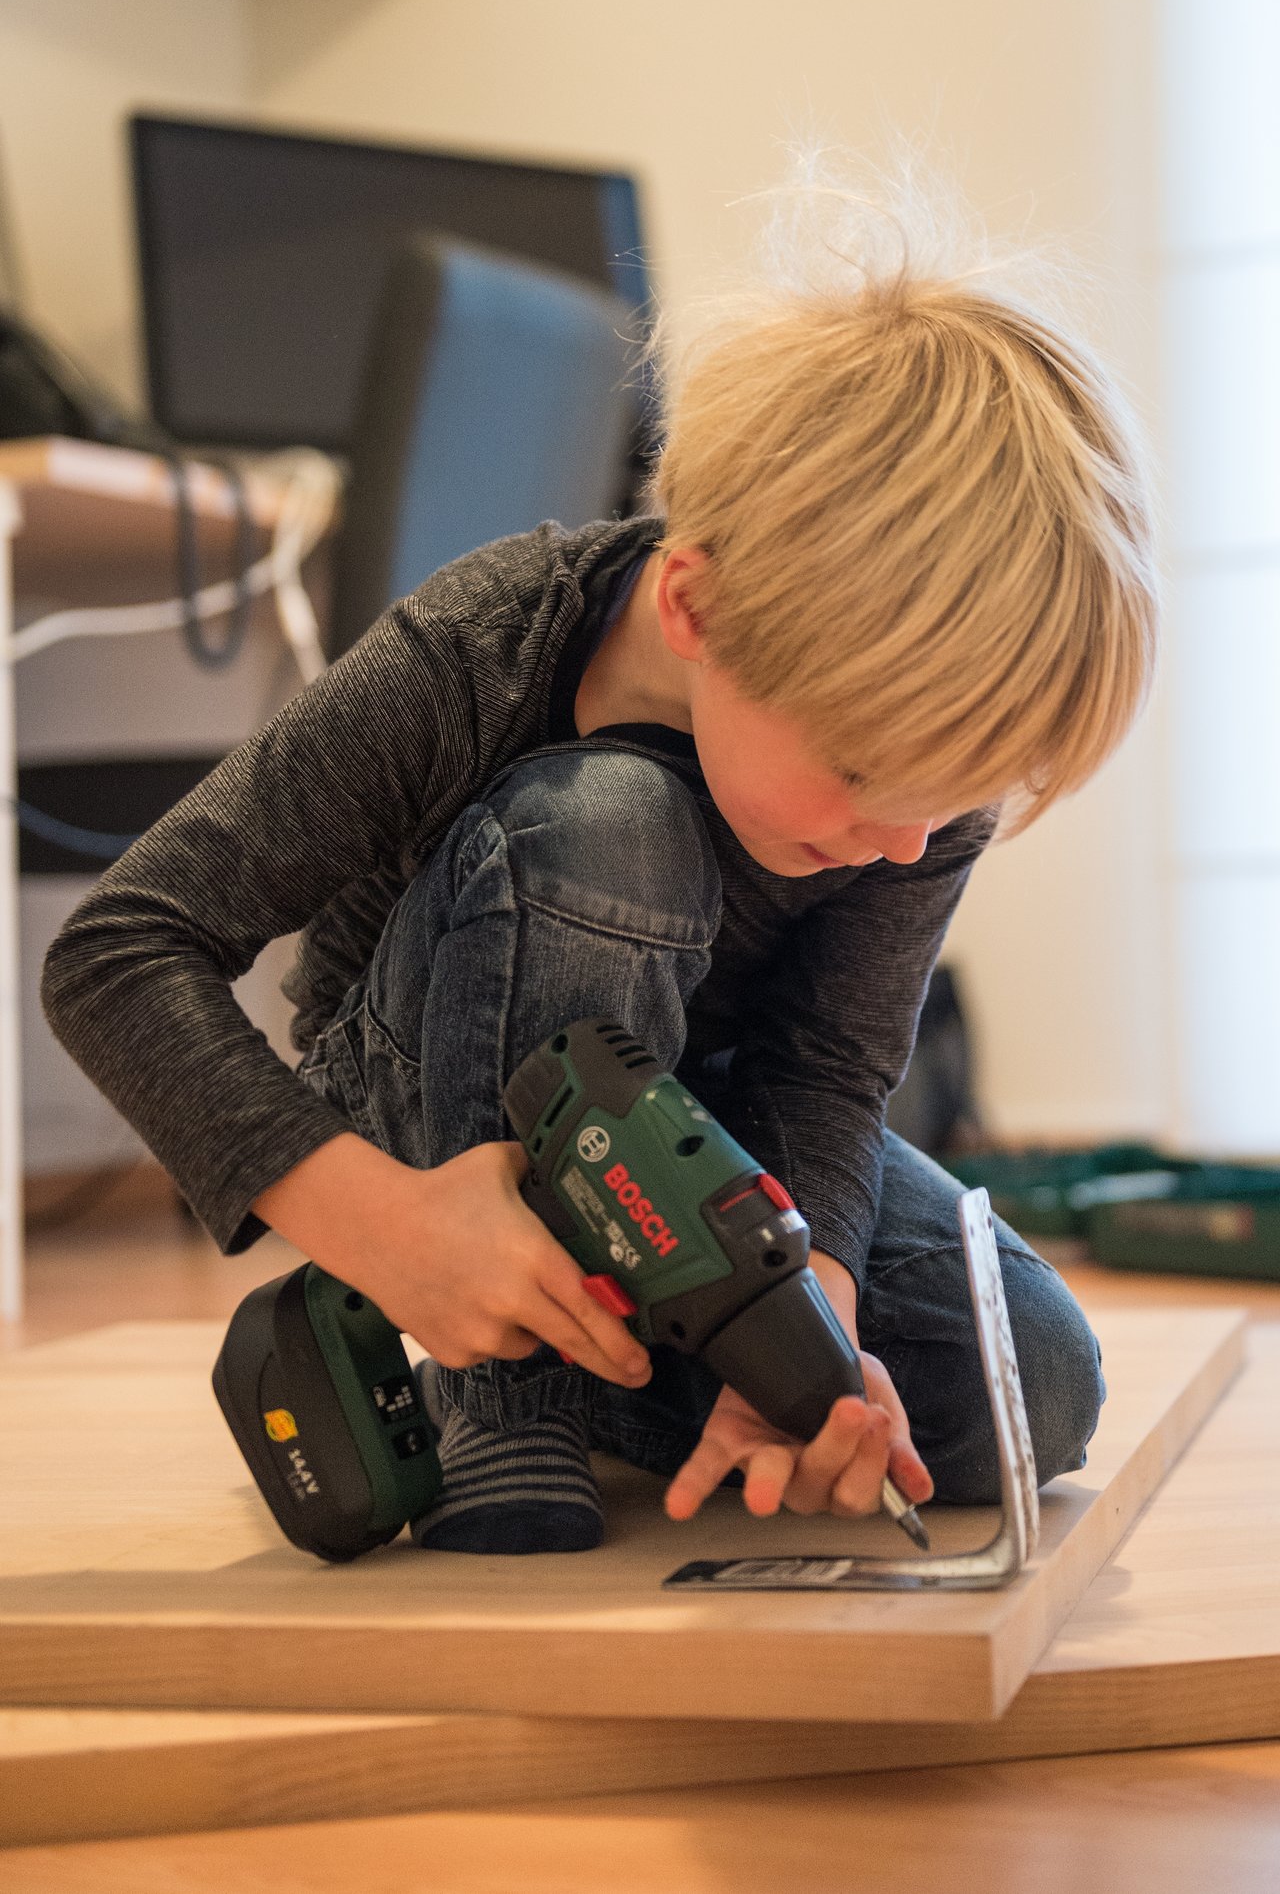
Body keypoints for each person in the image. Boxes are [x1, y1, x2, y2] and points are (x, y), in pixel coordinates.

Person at [41, 157, 1159, 1555]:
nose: (905, 843)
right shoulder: (476, 651)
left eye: (959, 806)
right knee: (613, 828)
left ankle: (580, 1349)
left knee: (1034, 1389)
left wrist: (804, 1333)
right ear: (694, 603)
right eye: (869, 778)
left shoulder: (915, 785)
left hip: (704, 1122)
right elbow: (118, 951)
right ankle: (502, 1394)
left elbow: (828, 1070)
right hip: (418, 1094)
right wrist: (378, 1226)